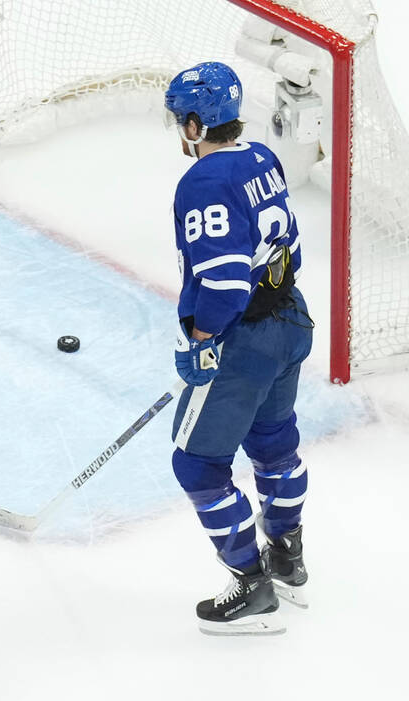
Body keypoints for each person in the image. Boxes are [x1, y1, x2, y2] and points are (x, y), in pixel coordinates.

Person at [164, 62, 313, 636]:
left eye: (182, 120)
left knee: (197, 463)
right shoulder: (260, 159)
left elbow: (225, 279)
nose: (179, 129)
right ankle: (288, 558)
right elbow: (286, 247)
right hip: (290, 321)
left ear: (198, 124)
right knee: (274, 443)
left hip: (242, 339)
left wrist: (204, 340)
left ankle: (253, 587)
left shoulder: (202, 182)